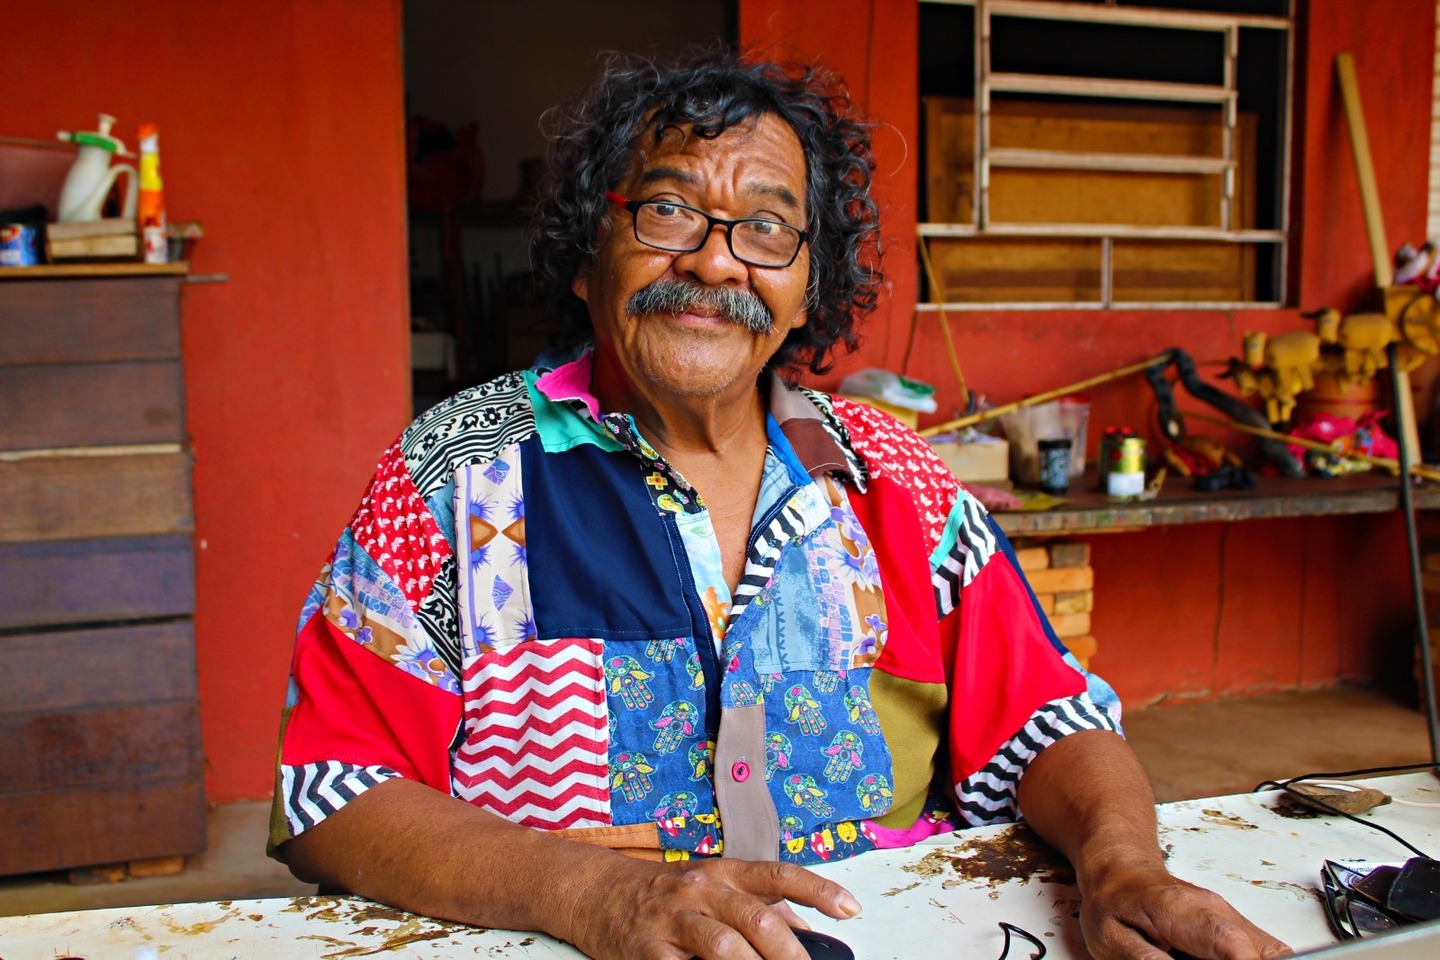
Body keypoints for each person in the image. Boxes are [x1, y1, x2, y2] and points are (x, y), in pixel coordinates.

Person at [271, 50, 1290, 960]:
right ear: (589, 255)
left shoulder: (896, 477)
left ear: (808, 287)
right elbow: (335, 792)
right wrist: (592, 894)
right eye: (668, 213)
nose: (715, 262)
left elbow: (1049, 719)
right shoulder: (453, 475)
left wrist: (1124, 868)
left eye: (765, 228)